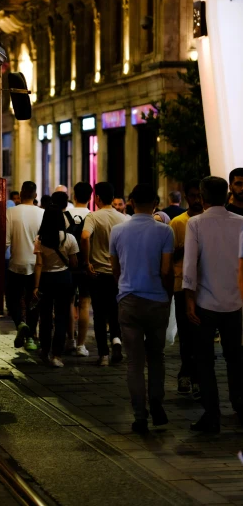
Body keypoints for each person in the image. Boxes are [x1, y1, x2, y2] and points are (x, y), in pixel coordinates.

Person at [110, 183, 174, 434]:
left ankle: (140, 416)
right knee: (156, 356)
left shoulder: (117, 230)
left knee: (134, 362)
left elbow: (115, 268)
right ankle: (157, 402)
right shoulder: (165, 232)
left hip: (129, 299)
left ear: (131, 202)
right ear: (156, 204)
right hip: (157, 299)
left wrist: (124, 286)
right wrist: (167, 297)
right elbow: (166, 270)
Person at [183, 176, 243, 433]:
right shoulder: (241, 223)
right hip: (235, 301)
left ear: (203, 196)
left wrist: (189, 299)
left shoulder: (195, 223)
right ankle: (240, 407)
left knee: (205, 360)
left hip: (205, 301)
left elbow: (190, 264)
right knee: (236, 359)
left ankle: (212, 414)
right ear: (227, 194)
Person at [80, 181, 125, 365]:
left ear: (97, 198)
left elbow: (84, 236)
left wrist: (87, 261)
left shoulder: (93, 217)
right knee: (116, 310)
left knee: (99, 313)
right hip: (118, 273)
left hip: (97, 272)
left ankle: (103, 355)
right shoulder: (124, 218)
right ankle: (116, 339)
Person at [33, 193, 78, 368]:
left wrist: (35, 286)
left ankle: (45, 350)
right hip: (63, 279)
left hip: (45, 279)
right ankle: (57, 355)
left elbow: (38, 264)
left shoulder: (40, 239)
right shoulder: (69, 239)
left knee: (45, 317)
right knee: (61, 316)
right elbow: (73, 262)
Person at [170, 179, 203, 399]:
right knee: (185, 331)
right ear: (186, 197)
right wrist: (182, 250)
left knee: (201, 334)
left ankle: (197, 375)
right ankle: (186, 373)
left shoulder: (208, 220)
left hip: (205, 285)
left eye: (200, 196)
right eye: (192, 196)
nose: (197, 200)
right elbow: (169, 255)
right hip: (181, 284)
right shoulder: (178, 222)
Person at [5, 181, 44, 352]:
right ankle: (31, 338)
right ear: (35, 196)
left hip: (16, 264)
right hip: (37, 265)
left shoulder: (11, 212)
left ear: (20, 195)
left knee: (13, 298)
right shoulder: (43, 213)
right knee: (33, 301)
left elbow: (5, 241)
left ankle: (20, 323)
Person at [66, 181, 93, 356]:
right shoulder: (93, 215)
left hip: (68, 265)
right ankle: (81, 345)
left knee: (68, 302)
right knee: (84, 303)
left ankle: (70, 340)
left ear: (74, 196)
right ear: (91, 198)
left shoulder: (65, 214)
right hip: (86, 266)